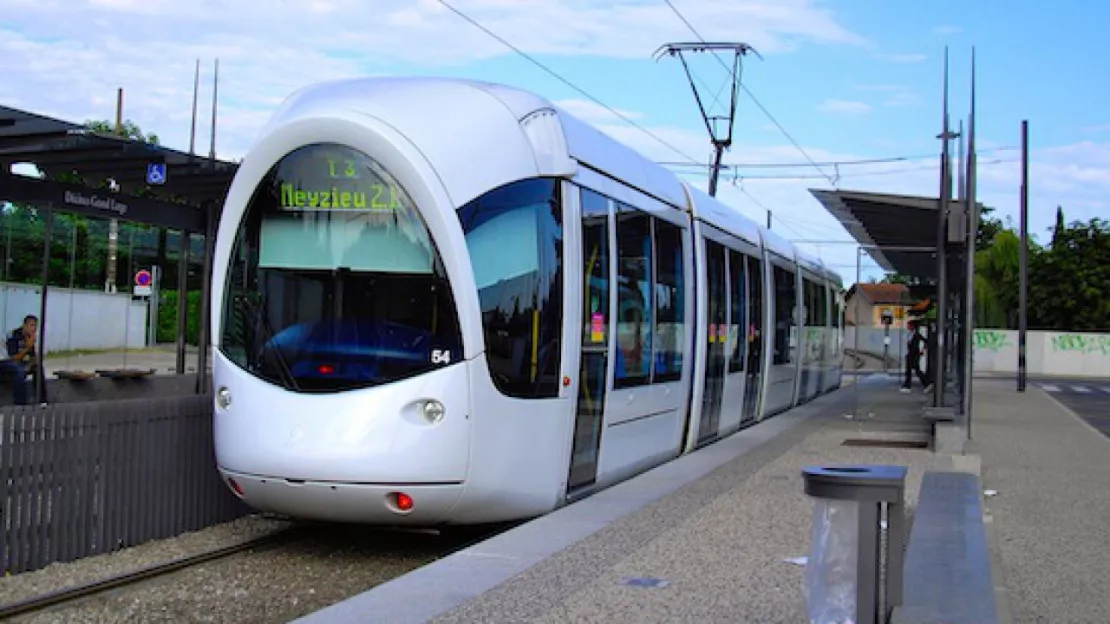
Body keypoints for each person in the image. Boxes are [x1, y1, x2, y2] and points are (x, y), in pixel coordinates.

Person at [2, 314, 40, 405]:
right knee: (19, 370)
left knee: (38, 368)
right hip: (5, 362)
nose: (34, 329)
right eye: (31, 325)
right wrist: (28, 347)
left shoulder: (29, 338)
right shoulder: (13, 336)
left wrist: (30, 364)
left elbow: (32, 357)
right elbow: (13, 359)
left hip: (20, 363)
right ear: (24, 325)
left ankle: (42, 400)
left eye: (35, 326)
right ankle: (20, 404)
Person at [901, 320, 931, 393]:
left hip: (915, 354)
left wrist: (922, 350)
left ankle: (926, 382)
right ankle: (907, 385)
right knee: (909, 370)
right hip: (910, 354)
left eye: (909, 325)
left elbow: (926, 341)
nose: (907, 327)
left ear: (913, 326)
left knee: (915, 370)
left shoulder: (916, 334)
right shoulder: (910, 334)